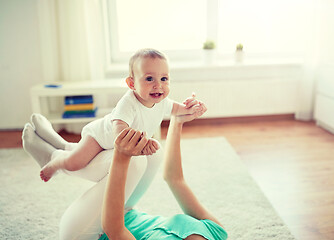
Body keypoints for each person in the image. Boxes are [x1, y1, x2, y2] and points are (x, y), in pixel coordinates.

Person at [30, 48, 201, 182]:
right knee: (76, 162)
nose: (159, 85)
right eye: (149, 79)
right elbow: (119, 132)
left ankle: (63, 145)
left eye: (164, 79)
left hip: (114, 145)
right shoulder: (128, 103)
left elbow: (177, 109)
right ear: (132, 83)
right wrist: (142, 143)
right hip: (100, 137)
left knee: (83, 154)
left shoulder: (162, 101)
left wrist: (192, 107)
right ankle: (55, 163)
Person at [99, 111, 228, 239]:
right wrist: (177, 120)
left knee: (129, 159)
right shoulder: (215, 233)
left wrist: (121, 154)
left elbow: (114, 230)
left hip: (100, 227)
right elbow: (174, 179)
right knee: (154, 154)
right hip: (127, 209)